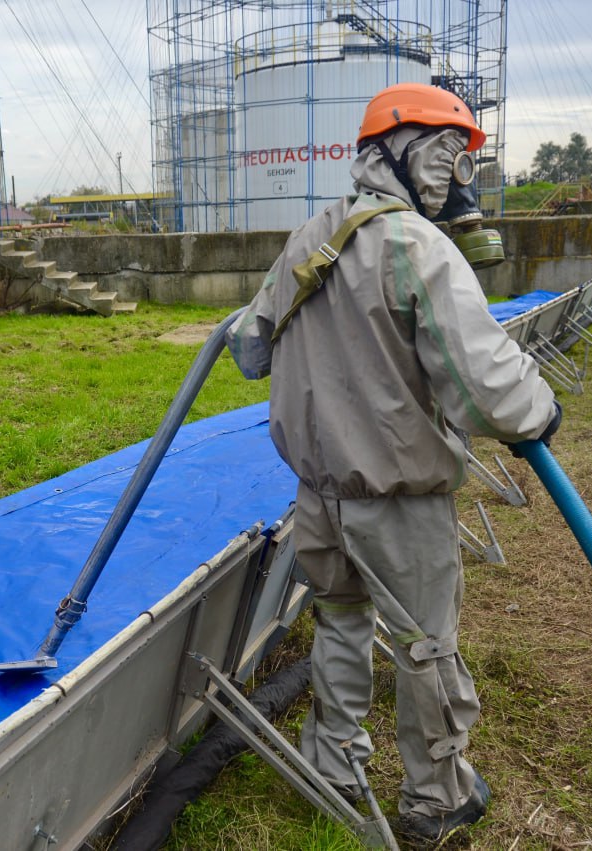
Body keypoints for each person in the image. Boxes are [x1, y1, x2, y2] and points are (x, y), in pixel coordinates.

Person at [225, 82, 560, 842]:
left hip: (317, 497)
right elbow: (480, 377)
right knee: (425, 648)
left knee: (342, 624)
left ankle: (332, 768)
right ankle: (434, 799)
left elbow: (249, 349)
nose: (457, 179)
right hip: (398, 500)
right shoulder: (416, 246)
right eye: (450, 158)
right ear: (410, 155)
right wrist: (541, 412)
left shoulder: (312, 234)